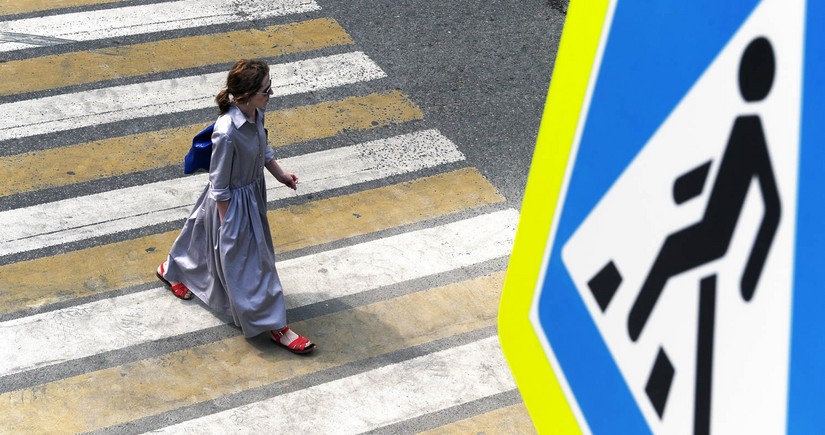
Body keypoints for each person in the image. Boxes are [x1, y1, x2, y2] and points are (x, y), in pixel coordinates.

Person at [155, 59, 315, 354]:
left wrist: (280, 174)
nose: (270, 95)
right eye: (266, 91)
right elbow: (218, 183)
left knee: (200, 238)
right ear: (246, 95)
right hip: (230, 203)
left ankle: (170, 269)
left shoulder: (258, 112)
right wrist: (229, 222)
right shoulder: (227, 131)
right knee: (254, 263)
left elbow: (262, 146)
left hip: (250, 194)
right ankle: (277, 325)